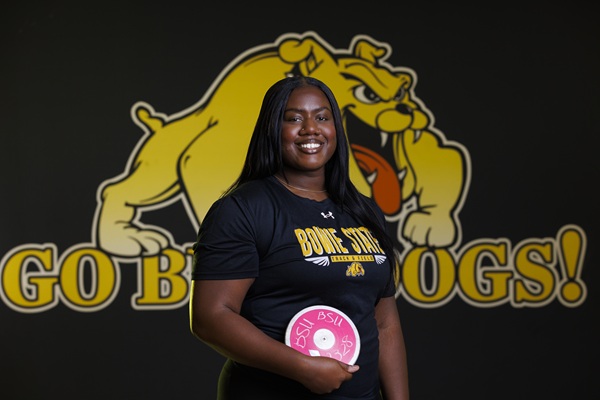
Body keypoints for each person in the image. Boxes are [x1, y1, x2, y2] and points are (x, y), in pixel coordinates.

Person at [189, 75, 409, 399]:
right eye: (293, 119)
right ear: (272, 129)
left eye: (322, 117)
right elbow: (210, 317)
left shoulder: (365, 211)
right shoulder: (243, 209)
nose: (310, 129)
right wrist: (303, 368)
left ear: (336, 128)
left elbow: (385, 323)